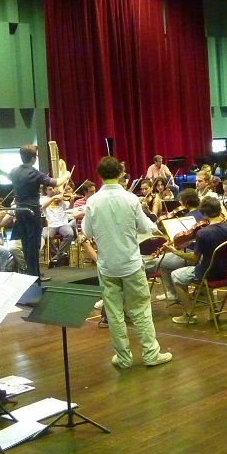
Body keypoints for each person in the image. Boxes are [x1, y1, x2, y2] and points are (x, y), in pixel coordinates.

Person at [82, 156, 172, 368]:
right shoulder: (131, 199)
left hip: (107, 264)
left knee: (114, 313)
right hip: (130, 263)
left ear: (100, 175)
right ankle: (151, 354)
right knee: (140, 309)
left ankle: (123, 358)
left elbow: (86, 232)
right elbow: (143, 228)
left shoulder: (92, 201)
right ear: (121, 174)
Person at [163, 197, 227, 326]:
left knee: (176, 275)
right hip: (226, 270)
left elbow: (194, 258)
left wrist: (175, 251)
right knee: (207, 265)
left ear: (204, 214)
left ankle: (188, 315)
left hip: (208, 273)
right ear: (219, 210)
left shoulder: (203, 233)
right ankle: (213, 310)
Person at [8, 143, 71, 278]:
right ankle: (33, 272)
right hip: (32, 211)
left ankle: (30, 271)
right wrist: (66, 174)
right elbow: (57, 182)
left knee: (25, 242)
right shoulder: (34, 173)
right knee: (34, 243)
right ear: (33, 159)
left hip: (19, 210)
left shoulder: (13, 171)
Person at [43, 185, 82, 267]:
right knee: (46, 236)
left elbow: (69, 209)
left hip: (63, 223)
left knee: (70, 234)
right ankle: (57, 256)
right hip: (51, 224)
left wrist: (71, 200)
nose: (52, 190)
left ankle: (57, 257)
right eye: (50, 189)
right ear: (46, 191)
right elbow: (42, 206)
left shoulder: (62, 200)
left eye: (53, 188)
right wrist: (53, 198)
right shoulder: (44, 199)